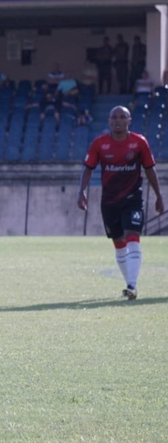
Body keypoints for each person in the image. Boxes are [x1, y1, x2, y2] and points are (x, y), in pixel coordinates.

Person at [77, 106, 164, 300]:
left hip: (133, 198)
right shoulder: (99, 144)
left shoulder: (139, 142)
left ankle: (132, 285)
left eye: (122, 117)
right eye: (114, 117)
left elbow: (150, 169)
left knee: (132, 236)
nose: (118, 120)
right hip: (109, 201)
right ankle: (129, 284)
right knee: (118, 242)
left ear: (129, 121)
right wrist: (81, 190)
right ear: (109, 121)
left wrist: (159, 195)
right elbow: (88, 168)